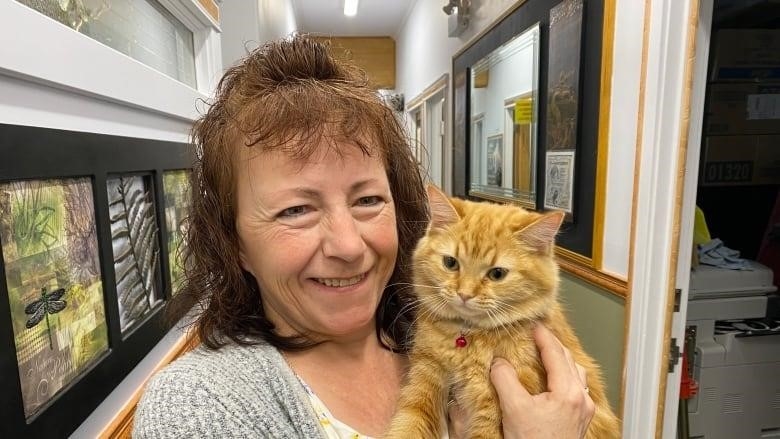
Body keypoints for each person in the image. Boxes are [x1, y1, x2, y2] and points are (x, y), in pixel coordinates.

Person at [133, 34, 595, 438]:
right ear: (234, 245)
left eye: (368, 200)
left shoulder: (426, 325)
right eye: (296, 209)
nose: (350, 246)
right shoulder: (201, 405)